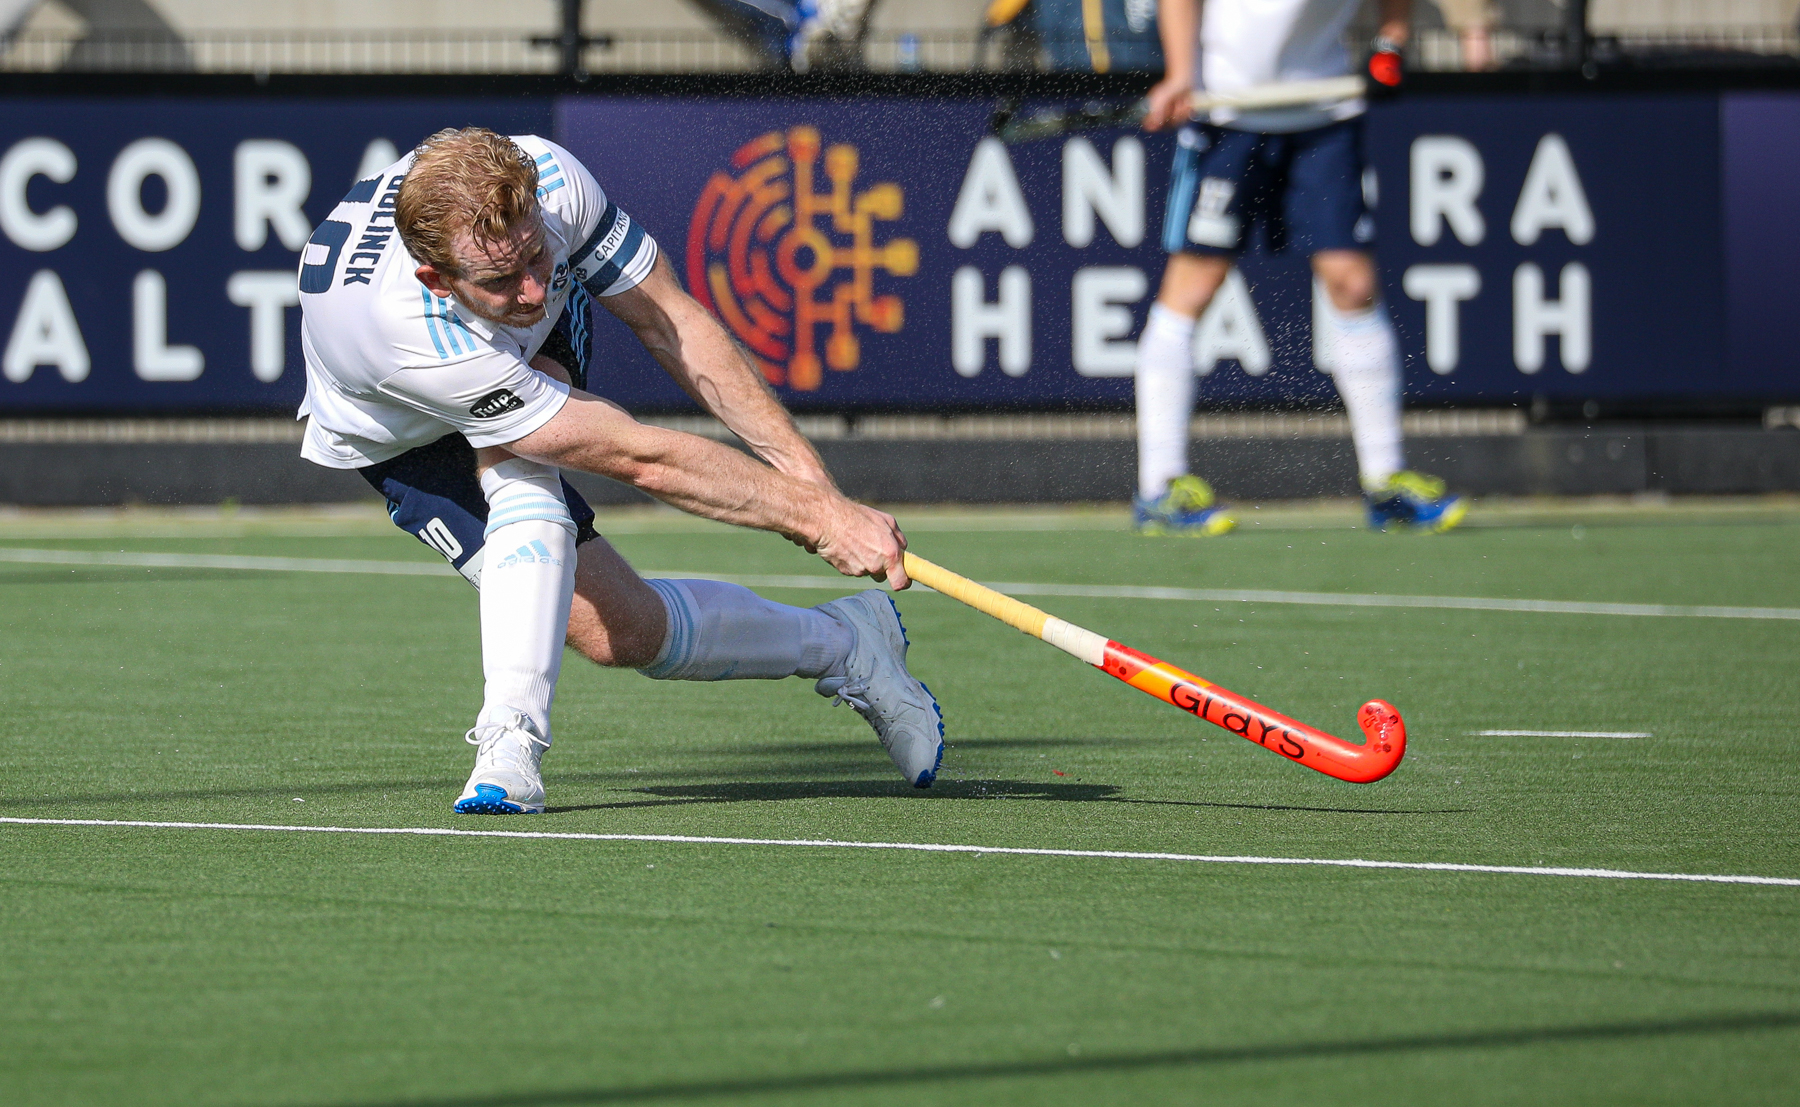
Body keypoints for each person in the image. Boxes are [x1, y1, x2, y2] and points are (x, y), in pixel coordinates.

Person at [296, 128, 943, 814]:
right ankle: (847, 642)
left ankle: (510, 739)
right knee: (620, 634)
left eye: (538, 257)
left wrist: (816, 489)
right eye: (500, 280)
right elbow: (638, 456)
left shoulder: (549, 177)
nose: (534, 288)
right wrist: (816, 520)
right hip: (398, 431)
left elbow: (673, 323)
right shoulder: (396, 326)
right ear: (438, 278)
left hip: (516, 362)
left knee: (521, 456)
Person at [1132, 0, 1467, 535]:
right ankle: (1158, 488)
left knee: (1352, 283)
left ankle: (1385, 482)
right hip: (1229, 114)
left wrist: (1390, 45)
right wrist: (1180, 73)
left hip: (1324, 116)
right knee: (1193, 287)